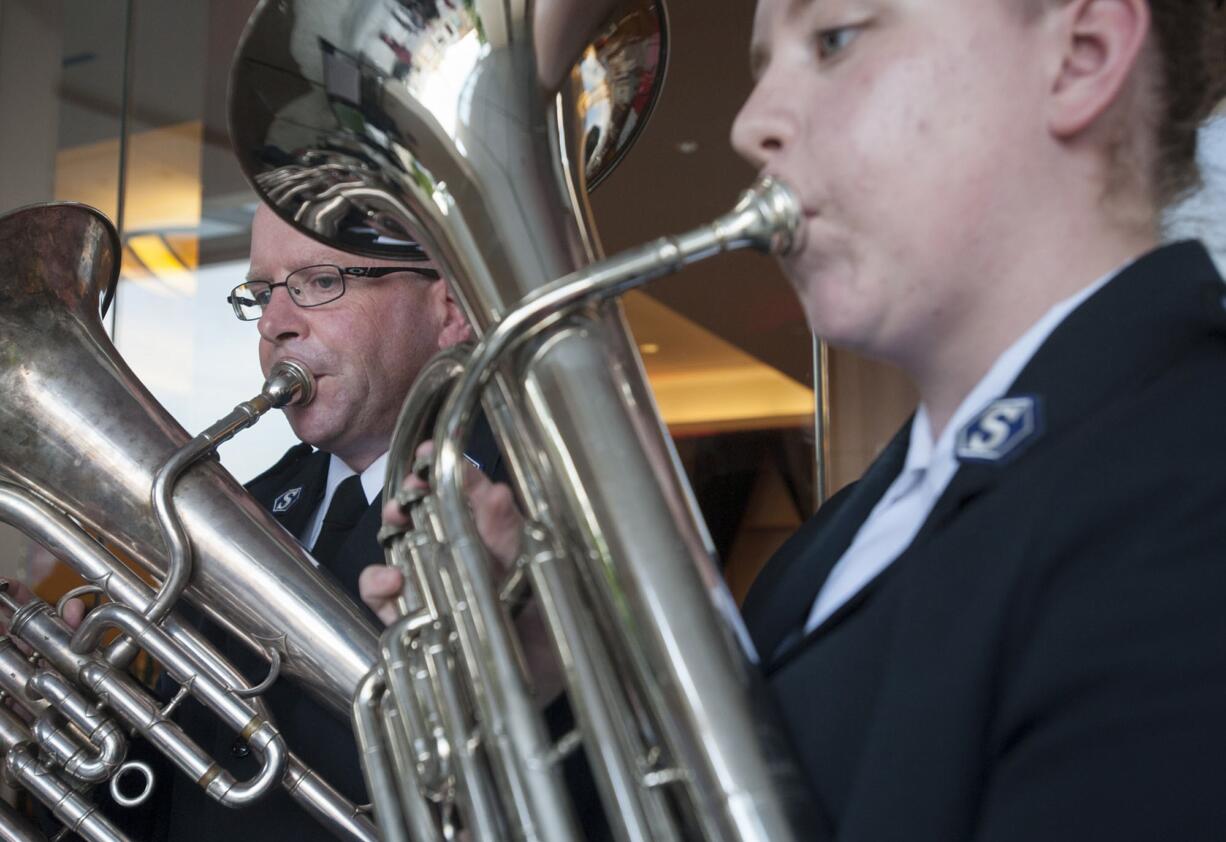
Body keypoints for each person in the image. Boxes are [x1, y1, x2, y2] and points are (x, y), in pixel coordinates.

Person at [369, 0, 1226, 839]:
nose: (751, 124)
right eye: (761, 63)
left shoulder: (1188, 490)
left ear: (1079, 56)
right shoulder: (839, 543)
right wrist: (556, 679)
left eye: (834, 38)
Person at [92, 204, 501, 842]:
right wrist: (93, 724)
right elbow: (173, 783)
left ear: (447, 311)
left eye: (319, 282)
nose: (276, 324)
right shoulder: (240, 509)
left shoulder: (518, 502)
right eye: (261, 293)